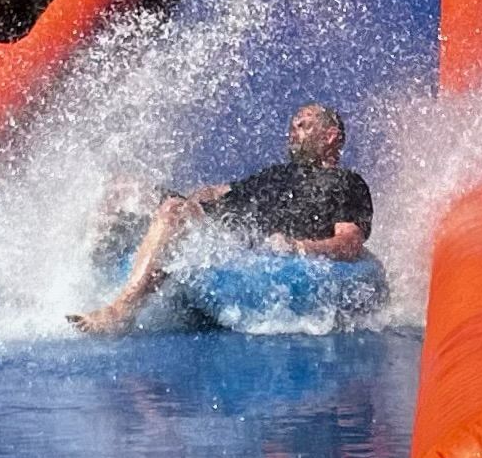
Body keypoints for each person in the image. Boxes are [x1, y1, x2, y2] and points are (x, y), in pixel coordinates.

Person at [70, 102, 374, 335]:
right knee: (121, 187)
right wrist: (194, 197)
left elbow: (349, 242)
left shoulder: (345, 182)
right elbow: (220, 192)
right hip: (215, 226)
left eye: (302, 126)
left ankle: (122, 309)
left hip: (238, 244)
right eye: (293, 127)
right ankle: (81, 283)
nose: (292, 133)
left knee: (173, 211)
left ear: (330, 136)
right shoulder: (276, 173)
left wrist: (299, 246)